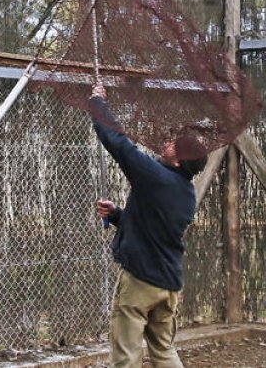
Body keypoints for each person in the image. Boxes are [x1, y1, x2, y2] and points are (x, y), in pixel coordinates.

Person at [89, 83, 207, 368]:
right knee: (163, 350)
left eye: (172, 145)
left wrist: (98, 104)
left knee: (126, 354)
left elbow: (118, 143)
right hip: (168, 286)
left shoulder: (155, 176)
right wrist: (118, 215)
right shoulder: (185, 192)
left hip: (141, 282)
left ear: (178, 161)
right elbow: (155, 227)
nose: (166, 144)